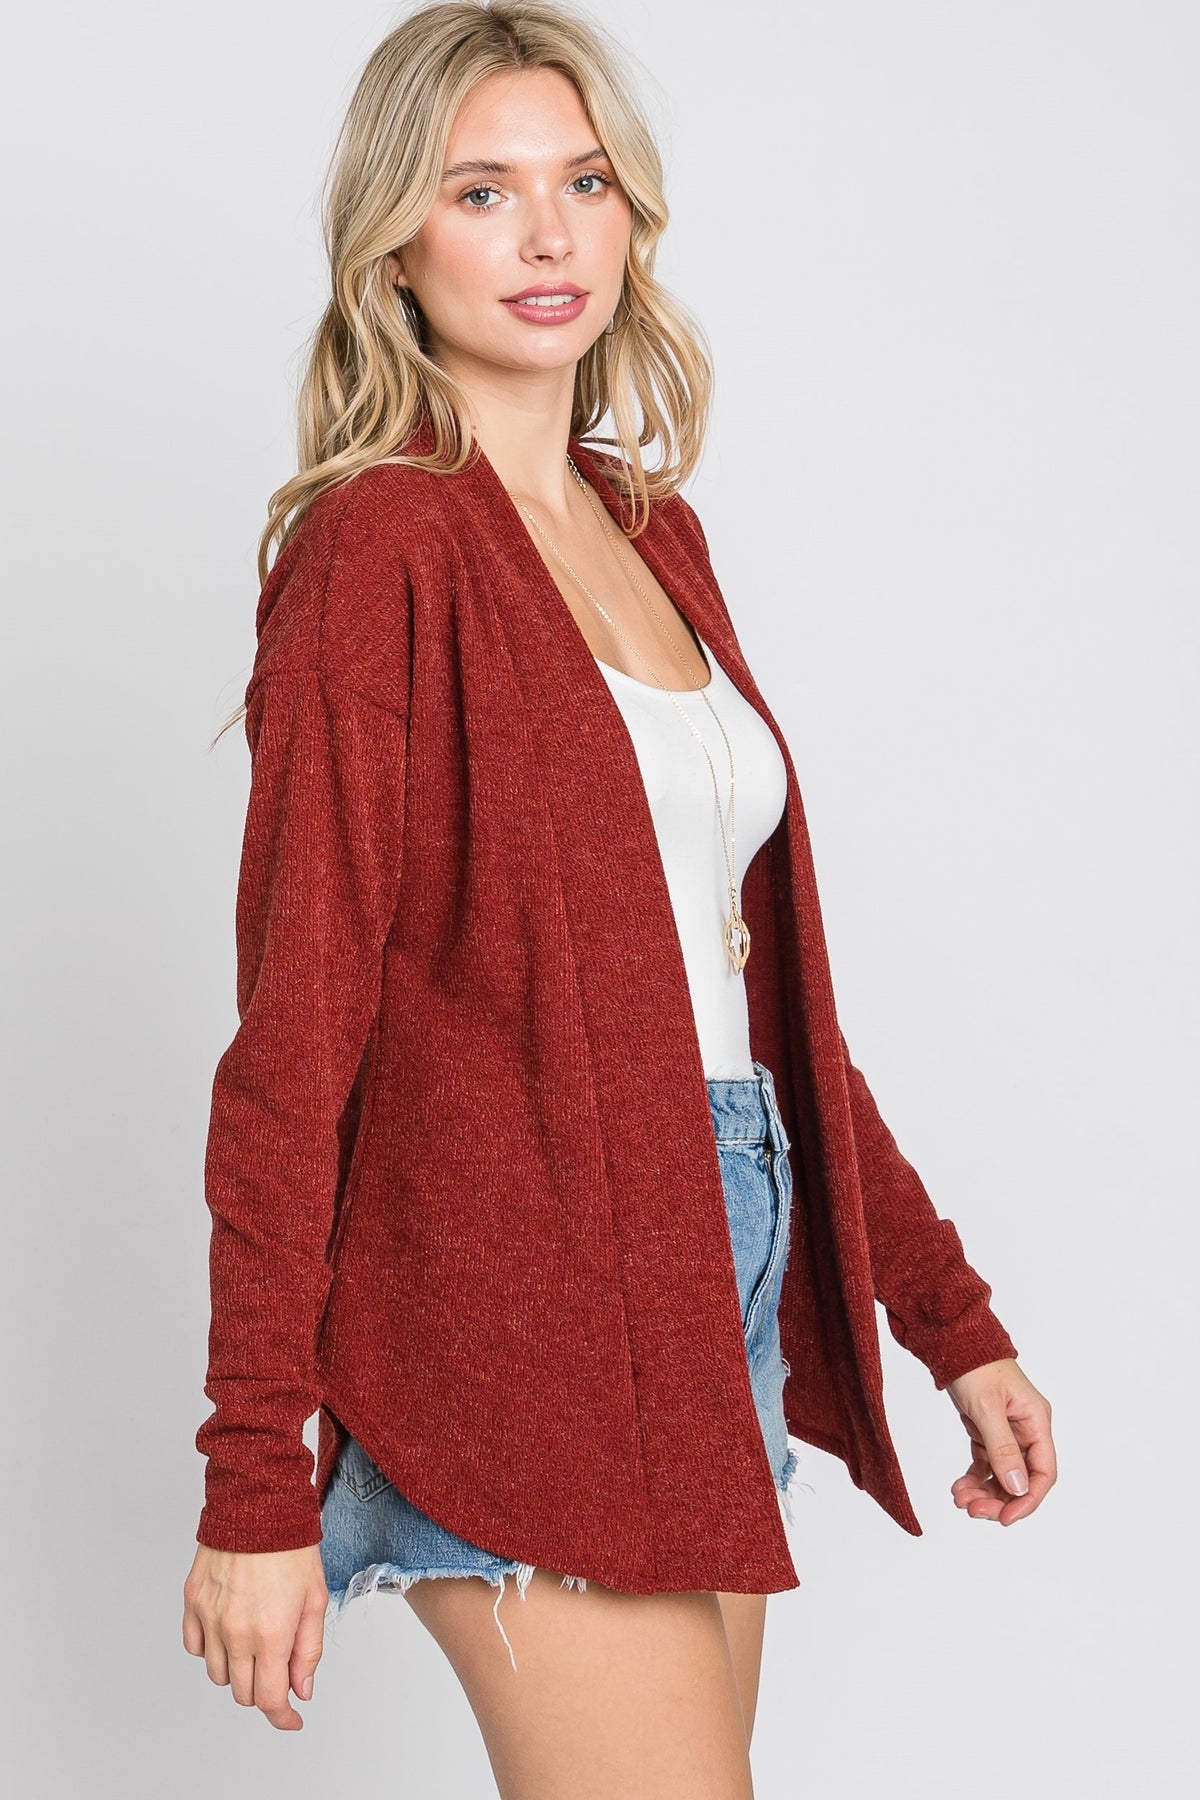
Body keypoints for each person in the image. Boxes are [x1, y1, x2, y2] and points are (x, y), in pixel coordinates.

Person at [181, 2, 1056, 1790]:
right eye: (480, 191)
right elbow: (296, 1039)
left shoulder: (656, 533)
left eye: (582, 182)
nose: (547, 233)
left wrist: (948, 1319)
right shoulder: (379, 551)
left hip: (718, 1250)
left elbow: (758, 1004)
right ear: (394, 247)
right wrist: (252, 1476)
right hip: (523, 1294)